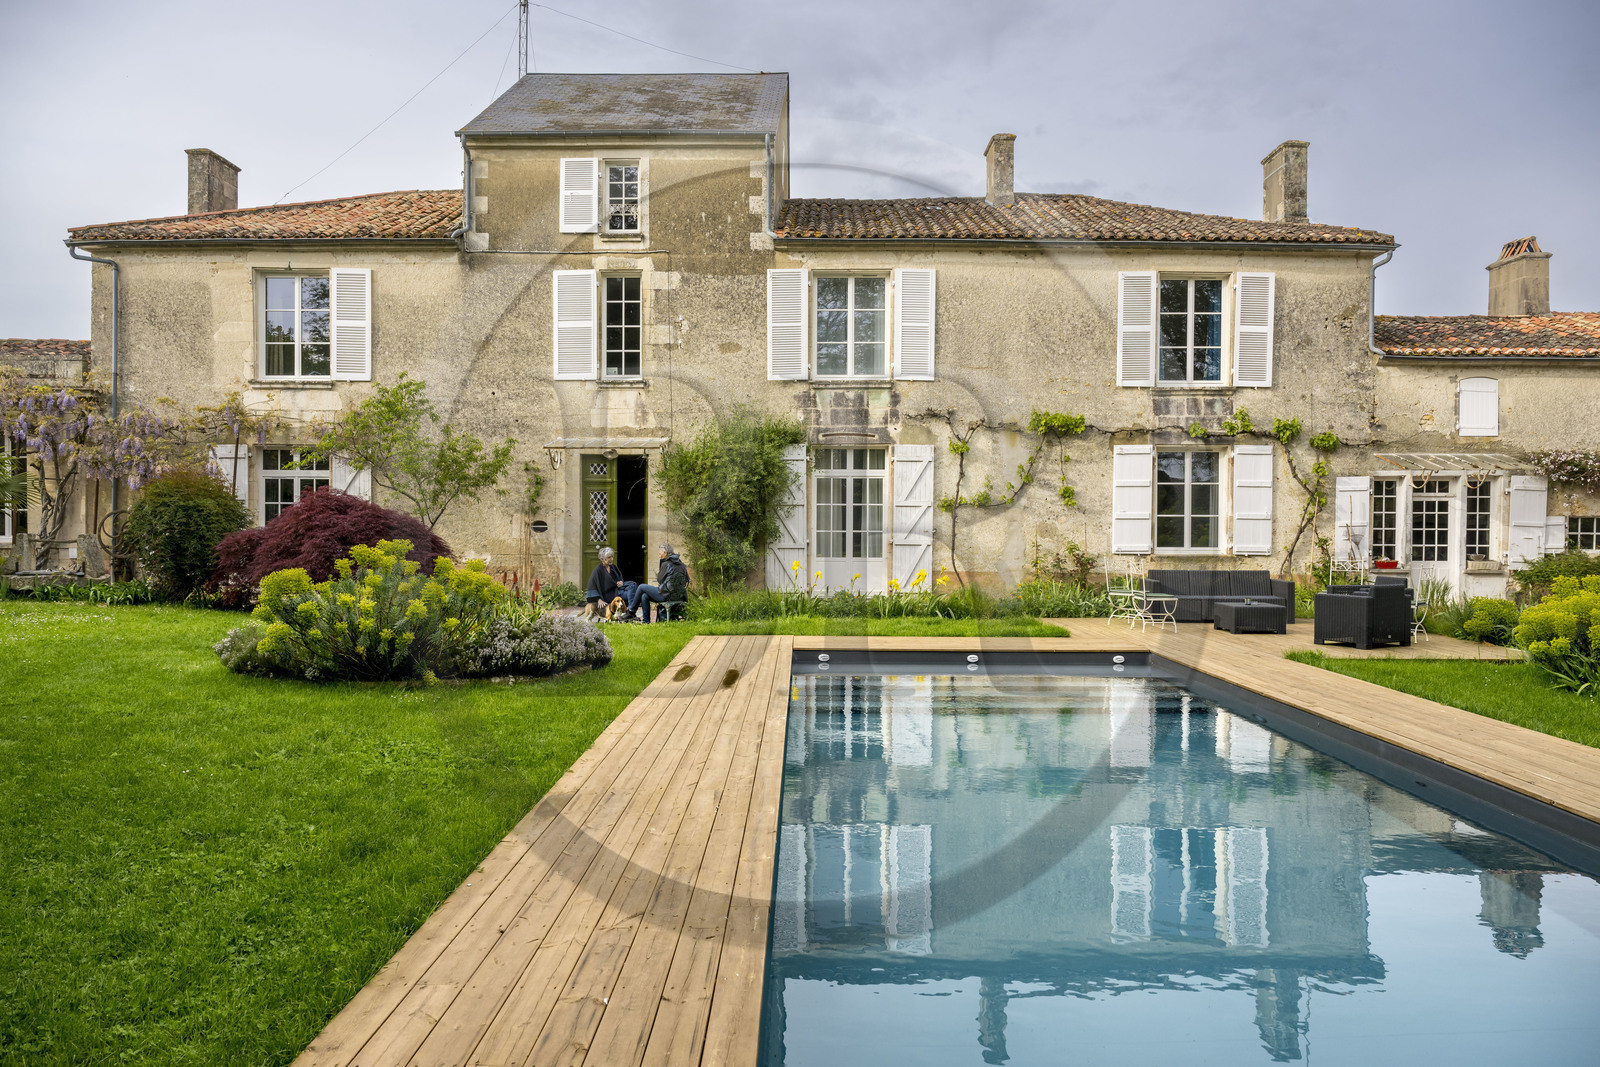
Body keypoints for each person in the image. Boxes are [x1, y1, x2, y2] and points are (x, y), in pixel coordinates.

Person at [624, 543, 690, 622]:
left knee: (641, 587)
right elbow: (687, 579)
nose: (659, 556)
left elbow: (659, 580)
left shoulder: (666, 563)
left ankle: (631, 611)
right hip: (679, 596)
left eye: (659, 554)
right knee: (644, 596)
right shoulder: (682, 565)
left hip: (666, 596)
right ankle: (646, 621)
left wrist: (661, 562)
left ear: (665, 553)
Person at [584, 547, 635, 618]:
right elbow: (592, 586)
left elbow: (620, 577)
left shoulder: (613, 567)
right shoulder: (598, 570)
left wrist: (621, 582)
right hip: (607, 596)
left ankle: (630, 611)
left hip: (616, 592)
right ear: (602, 559)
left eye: (612, 557)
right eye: (609, 557)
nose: (611, 559)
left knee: (633, 586)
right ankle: (630, 613)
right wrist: (599, 600)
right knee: (632, 592)